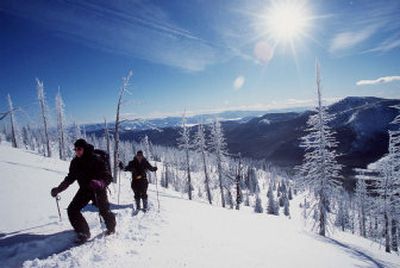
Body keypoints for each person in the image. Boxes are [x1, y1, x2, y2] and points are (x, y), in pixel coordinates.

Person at [51, 139, 116, 243]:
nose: (77, 151)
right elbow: (70, 178)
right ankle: (83, 232)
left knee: (104, 211)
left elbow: (108, 177)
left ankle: (111, 228)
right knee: (72, 210)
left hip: (98, 190)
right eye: (75, 149)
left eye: (79, 149)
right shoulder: (75, 162)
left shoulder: (96, 159)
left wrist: (100, 183)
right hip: (84, 190)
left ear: (84, 149)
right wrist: (59, 189)